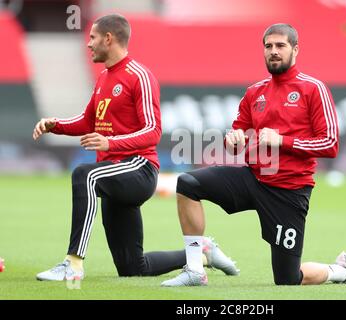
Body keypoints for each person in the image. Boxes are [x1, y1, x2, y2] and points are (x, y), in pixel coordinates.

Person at [32, 14, 238, 281]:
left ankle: (72, 264)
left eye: (92, 37)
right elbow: (88, 121)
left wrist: (111, 142)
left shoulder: (139, 76)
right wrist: (54, 125)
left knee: (84, 174)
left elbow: (153, 132)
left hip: (138, 169)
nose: (89, 44)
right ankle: (202, 253)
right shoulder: (104, 77)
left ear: (109, 38)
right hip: (114, 175)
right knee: (132, 269)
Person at [161, 23, 346, 287]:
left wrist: (282, 141)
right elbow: (236, 136)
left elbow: (329, 144)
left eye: (280, 46)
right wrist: (233, 140)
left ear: (295, 50)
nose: (273, 51)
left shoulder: (313, 89)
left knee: (287, 279)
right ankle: (195, 269)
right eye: (268, 46)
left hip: (288, 191)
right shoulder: (255, 92)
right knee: (188, 184)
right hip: (252, 178)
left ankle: (340, 271)